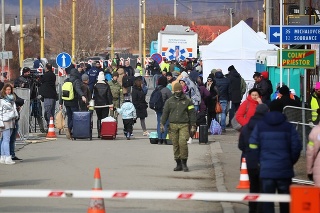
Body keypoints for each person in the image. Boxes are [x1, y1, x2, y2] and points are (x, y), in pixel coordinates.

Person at [249, 100, 302, 213]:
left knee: (268, 201)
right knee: (285, 201)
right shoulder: (288, 127)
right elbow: (297, 147)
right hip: (284, 170)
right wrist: (290, 161)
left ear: (269, 110)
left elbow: (252, 145)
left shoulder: (260, 126)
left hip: (266, 169)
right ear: (283, 110)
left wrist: (259, 160)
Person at [238, 103, 269, 213]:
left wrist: (247, 152)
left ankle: (252, 210)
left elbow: (240, 145)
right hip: (265, 162)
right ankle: (260, 210)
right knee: (263, 189)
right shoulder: (268, 127)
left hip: (250, 162)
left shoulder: (247, 127)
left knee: (253, 188)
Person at [161, 83, 197, 172]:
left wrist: (193, 125)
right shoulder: (169, 101)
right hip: (173, 126)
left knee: (182, 143)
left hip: (184, 125)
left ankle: (184, 163)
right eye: (176, 90)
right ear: (174, 90)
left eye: (179, 90)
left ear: (182, 90)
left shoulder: (188, 101)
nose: (178, 92)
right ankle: (178, 163)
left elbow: (192, 113)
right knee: (175, 144)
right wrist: (162, 124)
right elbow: (165, 113)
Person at [59, 68, 87, 139]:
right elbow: (78, 89)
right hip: (73, 101)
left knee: (69, 116)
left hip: (66, 101)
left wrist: (60, 103)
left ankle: (70, 132)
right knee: (75, 116)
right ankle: (69, 129)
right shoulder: (76, 81)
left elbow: (62, 92)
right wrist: (82, 96)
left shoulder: (66, 80)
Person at [0, 84, 19, 165]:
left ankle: (4, 156)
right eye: (7, 89)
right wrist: (1, 123)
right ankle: (7, 157)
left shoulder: (12, 100)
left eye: (10, 89)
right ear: (4, 90)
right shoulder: (2, 101)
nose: (8, 91)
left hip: (12, 121)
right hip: (5, 121)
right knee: (6, 139)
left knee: (5, 139)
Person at [93, 71, 113, 138]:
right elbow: (109, 96)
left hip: (97, 105)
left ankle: (99, 132)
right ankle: (103, 132)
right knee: (104, 119)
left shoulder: (95, 85)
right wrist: (110, 104)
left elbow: (93, 96)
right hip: (105, 105)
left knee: (99, 118)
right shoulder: (106, 85)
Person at [39, 63, 57, 127]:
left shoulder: (46, 75)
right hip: (53, 95)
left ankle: (50, 124)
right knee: (52, 111)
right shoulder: (53, 75)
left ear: (46, 68)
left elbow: (41, 81)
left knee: (47, 111)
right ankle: (51, 123)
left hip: (48, 96)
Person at [155, 76, 172, 145]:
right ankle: (164, 138)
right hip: (165, 109)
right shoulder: (167, 90)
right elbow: (171, 99)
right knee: (165, 123)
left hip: (158, 109)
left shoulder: (156, 89)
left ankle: (159, 139)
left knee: (159, 122)